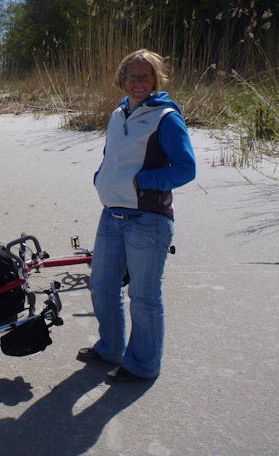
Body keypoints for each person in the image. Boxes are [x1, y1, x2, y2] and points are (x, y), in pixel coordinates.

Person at [77, 49, 196, 382]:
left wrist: (140, 182)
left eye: (145, 77)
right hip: (111, 215)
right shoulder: (118, 114)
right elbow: (112, 157)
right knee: (101, 286)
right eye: (132, 76)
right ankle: (110, 349)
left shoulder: (166, 117)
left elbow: (186, 169)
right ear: (122, 78)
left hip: (149, 220)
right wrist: (103, 178)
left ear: (156, 80)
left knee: (143, 297)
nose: (138, 82)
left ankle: (142, 365)